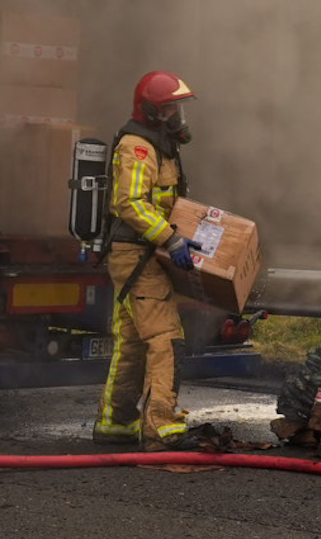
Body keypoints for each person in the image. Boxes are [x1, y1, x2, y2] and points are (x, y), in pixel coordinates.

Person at [93, 70, 223, 451]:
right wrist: (170, 238)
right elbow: (130, 203)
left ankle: (115, 422)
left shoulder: (161, 145)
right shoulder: (138, 146)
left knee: (132, 342)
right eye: (170, 109)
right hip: (138, 256)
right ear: (151, 111)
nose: (177, 116)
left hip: (143, 252)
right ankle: (161, 427)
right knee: (165, 338)